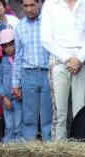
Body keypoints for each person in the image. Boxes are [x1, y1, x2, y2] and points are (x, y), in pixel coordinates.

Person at [40, 0, 85, 141]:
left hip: (82, 61)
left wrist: (79, 58)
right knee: (60, 113)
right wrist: (67, 58)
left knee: (80, 110)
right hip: (59, 61)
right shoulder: (50, 4)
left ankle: (79, 150)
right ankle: (58, 150)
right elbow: (46, 38)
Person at [12, 0, 52, 141]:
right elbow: (18, 56)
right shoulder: (20, 26)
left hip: (48, 73)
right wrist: (15, 83)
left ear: (39, 4)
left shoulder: (49, 23)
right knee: (29, 115)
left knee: (48, 114)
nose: (29, 9)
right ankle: (29, 147)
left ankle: (49, 148)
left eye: (32, 5)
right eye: (26, 6)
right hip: (28, 74)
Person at [0, 28, 22, 141]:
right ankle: (7, 143)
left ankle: (18, 143)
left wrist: (21, 90)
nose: (8, 48)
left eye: (11, 44)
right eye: (5, 46)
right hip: (6, 98)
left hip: (18, 97)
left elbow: (24, 77)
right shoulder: (2, 62)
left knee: (19, 123)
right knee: (9, 124)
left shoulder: (21, 59)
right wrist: (4, 96)